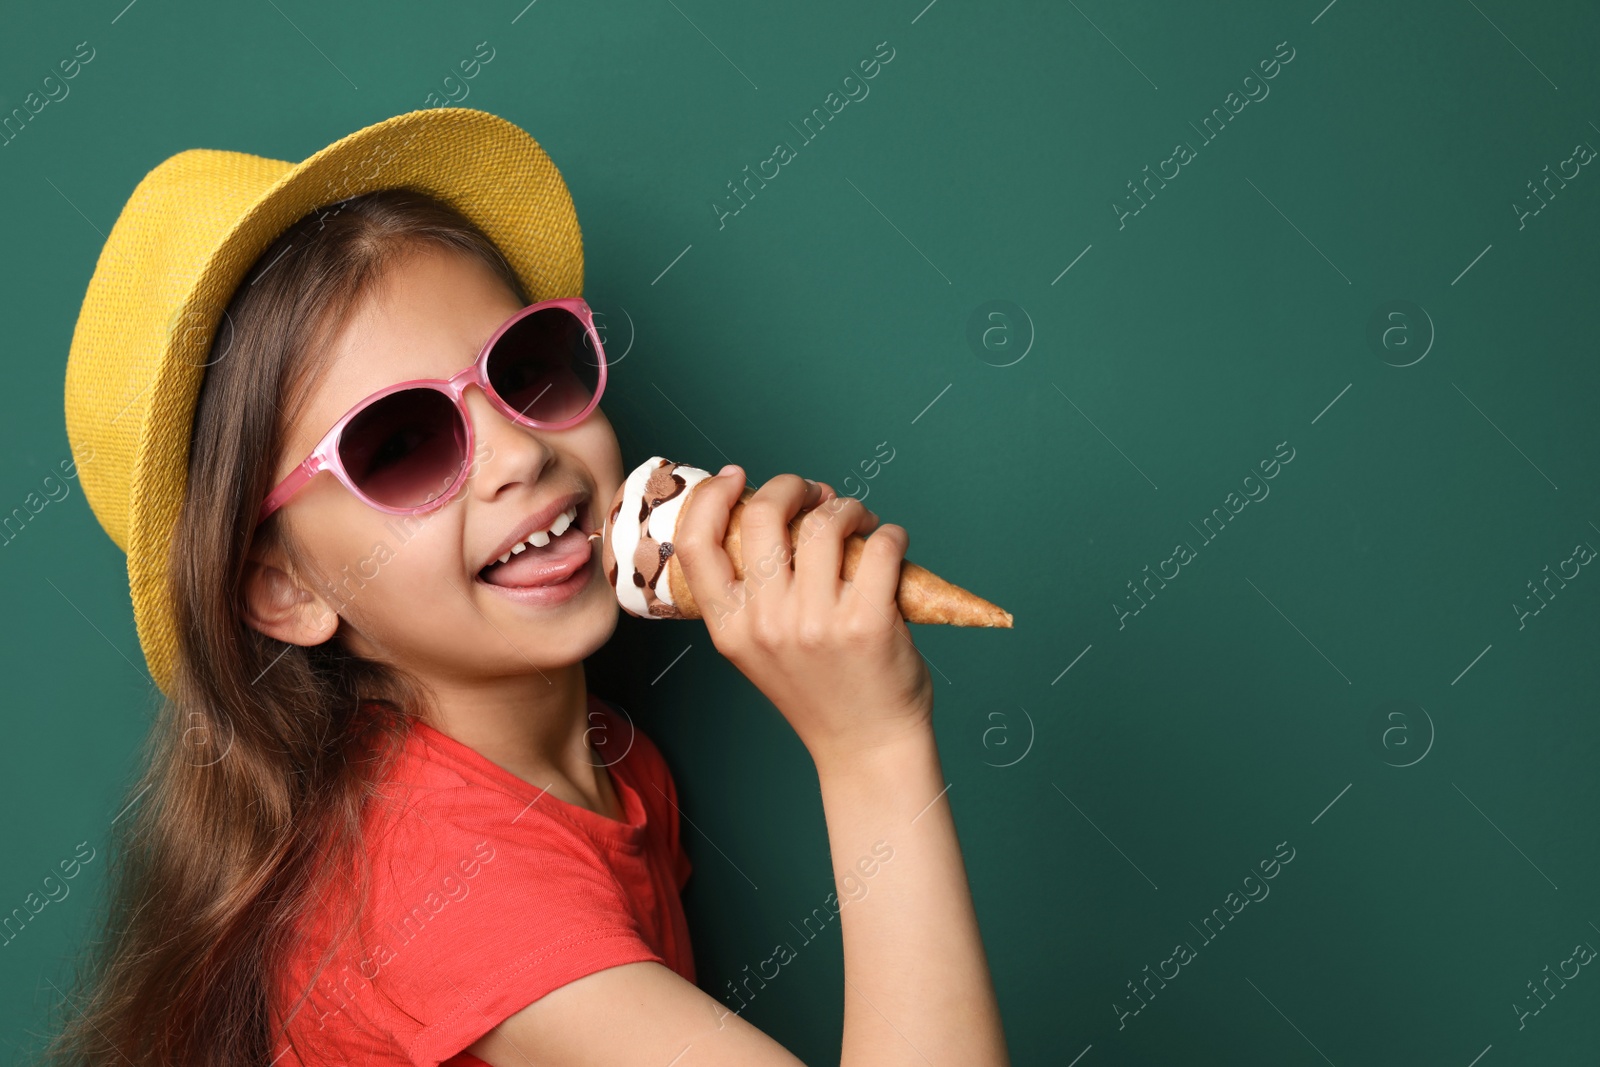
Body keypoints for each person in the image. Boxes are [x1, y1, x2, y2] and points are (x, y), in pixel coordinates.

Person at [50, 107, 1007, 1067]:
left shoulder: (612, 761)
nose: (518, 450)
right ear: (284, 590)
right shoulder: (450, 897)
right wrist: (871, 748)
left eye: (524, 368)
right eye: (402, 445)